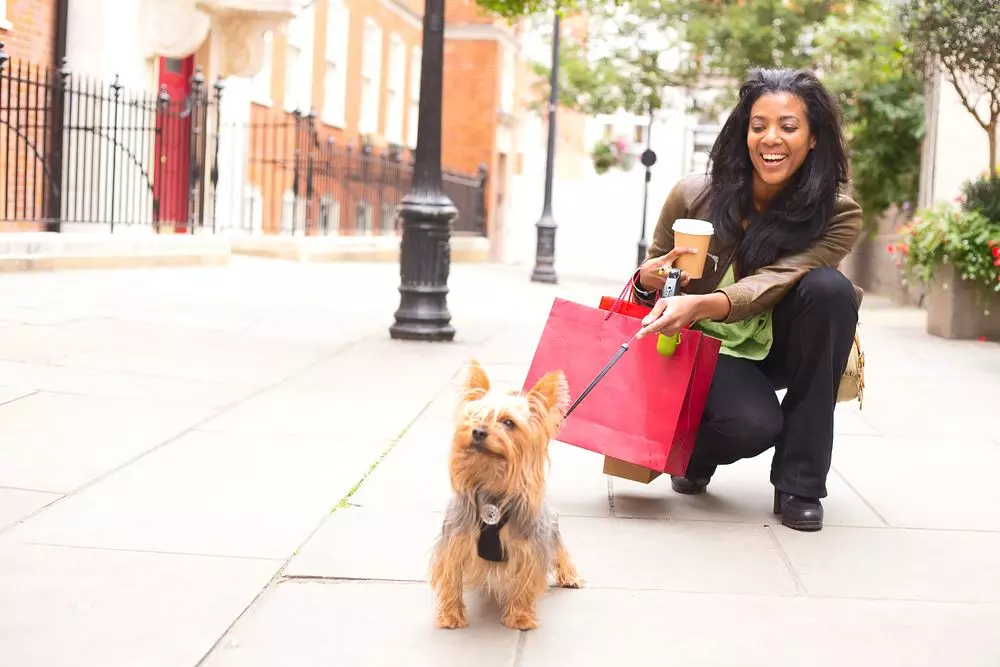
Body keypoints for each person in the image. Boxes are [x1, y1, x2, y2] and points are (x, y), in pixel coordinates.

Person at [631, 67, 862, 532]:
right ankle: (692, 453)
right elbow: (649, 278)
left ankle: (801, 482)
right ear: (744, 131)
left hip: (775, 339)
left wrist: (703, 302)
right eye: (759, 126)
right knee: (753, 426)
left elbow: (778, 280)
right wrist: (648, 280)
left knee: (831, 291)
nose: (771, 138)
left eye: (788, 127)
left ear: (814, 138)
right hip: (703, 346)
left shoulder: (837, 214)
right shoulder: (694, 194)